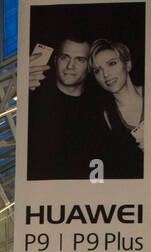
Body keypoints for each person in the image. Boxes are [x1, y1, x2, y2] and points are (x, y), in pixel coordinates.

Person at [25, 37, 132, 180]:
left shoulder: (101, 108)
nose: (70, 66)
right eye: (65, 58)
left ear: (89, 67)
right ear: (56, 60)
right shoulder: (33, 99)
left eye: (80, 60)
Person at [90, 39, 146, 177]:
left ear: (127, 64)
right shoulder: (108, 117)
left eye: (112, 63)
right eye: (97, 70)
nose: (105, 74)